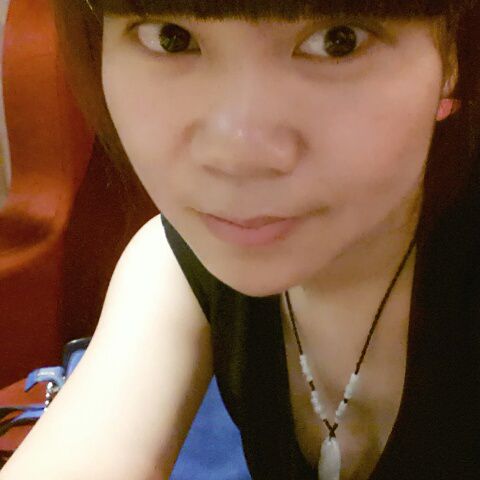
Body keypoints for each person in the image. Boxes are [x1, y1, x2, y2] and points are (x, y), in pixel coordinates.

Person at [1, 0, 480, 479]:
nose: (237, 153)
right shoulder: (172, 266)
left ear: (450, 55)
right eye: (170, 37)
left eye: (339, 41)